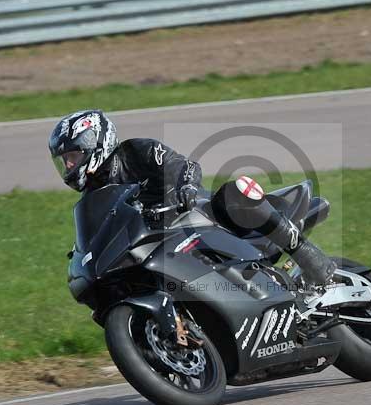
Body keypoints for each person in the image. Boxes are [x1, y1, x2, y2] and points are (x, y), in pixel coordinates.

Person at [48, 109, 335, 285]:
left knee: (235, 192)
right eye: (64, 161)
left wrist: (185, 187)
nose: (69, 166)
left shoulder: (135, 152)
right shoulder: (93, 197)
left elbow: (181, 166)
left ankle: (310, 258)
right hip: (158, 244)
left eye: (72, 156)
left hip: (196, 214)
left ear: (94, 143)